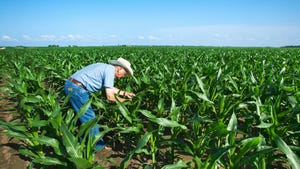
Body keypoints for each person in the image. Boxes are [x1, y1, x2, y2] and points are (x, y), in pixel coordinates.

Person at [64, 57, 135, 151]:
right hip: (78, 89)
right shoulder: (110, 70)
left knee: (81, 118)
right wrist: (125, 102)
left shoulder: (105, 67)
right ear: (119, 69)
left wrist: (126, 94)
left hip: (71, 85)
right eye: (124, 74)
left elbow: (110, 88)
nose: (123, 76)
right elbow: (110, 97)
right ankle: (98, 146)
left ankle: (84, 142)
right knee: (90, 119)